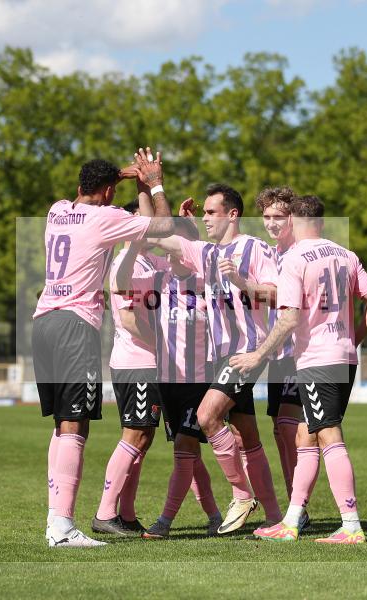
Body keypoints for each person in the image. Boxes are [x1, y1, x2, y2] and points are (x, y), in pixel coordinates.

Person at [32, 148, 174, 548]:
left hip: (44, 320)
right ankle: (62, 527)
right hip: (76, 324)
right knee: (76, 425)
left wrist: (125, 177)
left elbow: (92, 191)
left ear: (80, 187)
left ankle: (54, 521)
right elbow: (161, 226)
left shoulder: (57, 209)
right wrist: (153, 182)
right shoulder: (105, 217)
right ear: (110, 192)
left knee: (62, 426)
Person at [231, 195, 367, 544]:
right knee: (307, 435)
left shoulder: (295, 258)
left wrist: (258, 355)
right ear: (321, 222)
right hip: (343, 357)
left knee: (329, 433)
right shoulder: (347, 254)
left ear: (295, 223)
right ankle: (291, 521)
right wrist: (353, 338)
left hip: (316, 360)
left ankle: (350, 525)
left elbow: (289, 317)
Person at [151, 184, 282, 535]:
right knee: (247, 436)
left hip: (247, 351)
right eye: (204, 213)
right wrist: (153, 187)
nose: (206, 218)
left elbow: (277, 295)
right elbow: (162, 237)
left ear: (233, 214)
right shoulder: (205, 253)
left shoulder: (254, 248)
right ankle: (273, 517)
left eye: (212, 212)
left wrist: (240, 280)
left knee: (208, 415)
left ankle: (241, 495)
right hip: (219, 354)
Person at [114, 216, 222, 540]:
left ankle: (164, 521)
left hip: (199, 380)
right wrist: (135, 243)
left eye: (182, 247)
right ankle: (216, 515)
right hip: (168, 380)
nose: (175, 253)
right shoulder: (160, 279)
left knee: (184, 450)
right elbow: (121, 284)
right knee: (190, 453)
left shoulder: (209, 283)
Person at [92, 195, 167, 537]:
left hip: (148, 362)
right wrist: (163, 347)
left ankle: (127, 513)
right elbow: (129, 319)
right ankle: (105, 513)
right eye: (143, 220)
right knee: (134, 434)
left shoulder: (150, 261)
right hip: (136, 362)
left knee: (144, 437)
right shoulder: (128, 263)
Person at [256, 187, 305, 525]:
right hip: (278, 352)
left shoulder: (300, 253)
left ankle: (296, 509)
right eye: (267, 217)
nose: (272, 223)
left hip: (299, 352)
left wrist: (243, 283)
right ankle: (295, 505)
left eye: (279, 217)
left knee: (290, 428)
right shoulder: (272, 254)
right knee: (279, 428)